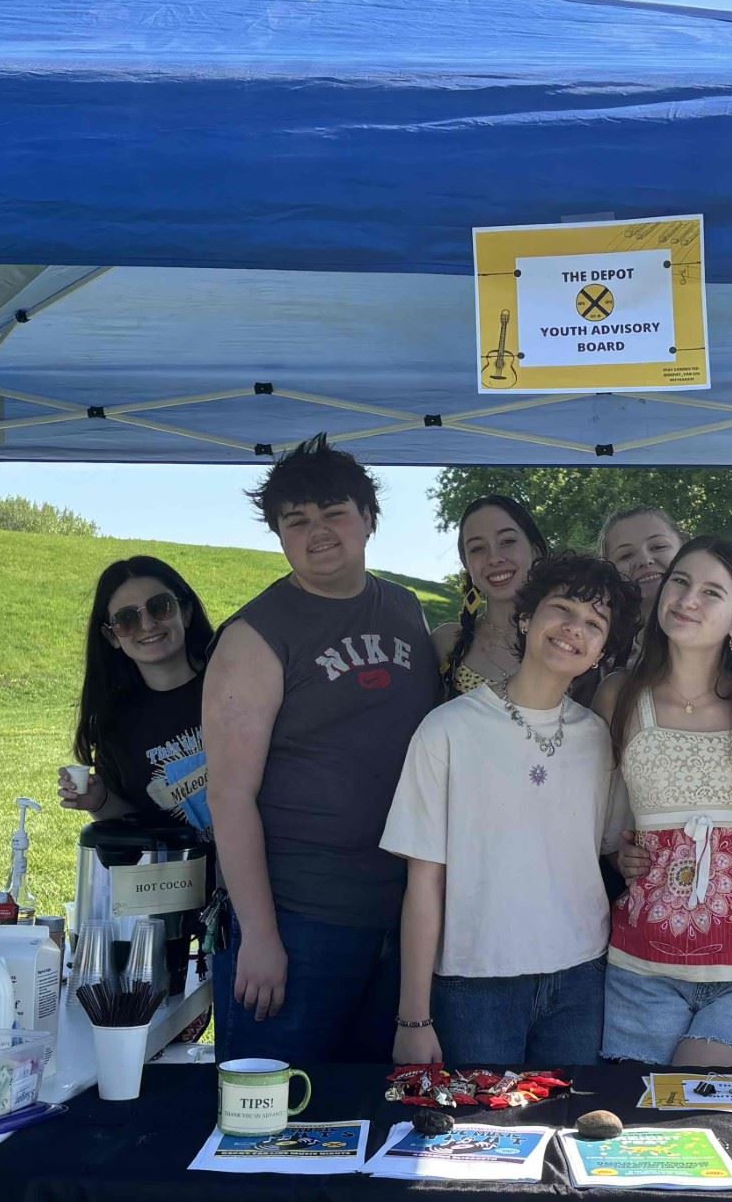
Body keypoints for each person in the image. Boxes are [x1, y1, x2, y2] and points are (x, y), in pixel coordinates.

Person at [203, 434, 439, 1064]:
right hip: (298, 917)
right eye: (297, 520)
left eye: (334, 512)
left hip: (401, 913)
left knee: (378, 1106)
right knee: (273, 1107)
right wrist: (260, 935)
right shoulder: (255, 635)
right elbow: (228, 795)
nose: (318, 532)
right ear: (279, 534)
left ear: (369, 518)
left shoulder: (405, 609)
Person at [387, 550, 638, 1068]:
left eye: (594, 623)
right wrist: (413, 1017)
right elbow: (424, 883)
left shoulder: (597, 738)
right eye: (562, 608)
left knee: (572, 1117)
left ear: (601, 653)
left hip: (581, 978)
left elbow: (609, 847)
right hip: (476, 985)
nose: (574, 628)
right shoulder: (447, 729)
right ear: (526, 617)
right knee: (479, 1122)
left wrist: (632, 856)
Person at [594, 536, 732, 1068]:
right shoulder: (619, 695)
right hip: (643, 958)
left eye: (712, 592)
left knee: (700, 1097)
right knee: (638, 1110)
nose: (688, 599)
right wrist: (618, 853)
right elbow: (601, 813)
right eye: (681, 582)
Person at [60, 556, 216, 832]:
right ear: (112, 637)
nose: (147, 625)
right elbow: (136, 823)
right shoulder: (115, 724)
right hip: (175, 862)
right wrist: (100, 800)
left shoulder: (237, 683)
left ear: (186, 612)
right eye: (126, 620)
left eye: (160, 607)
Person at [432, 495, 550, 698]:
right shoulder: (446, 643)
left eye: (507, 541)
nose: (494, 558)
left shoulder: (568, 641)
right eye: (477, 548)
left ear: (535, 550)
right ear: (466, 564)